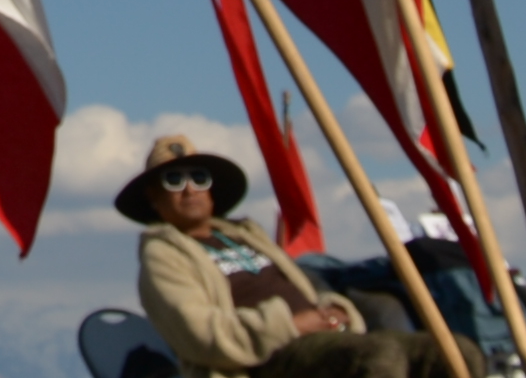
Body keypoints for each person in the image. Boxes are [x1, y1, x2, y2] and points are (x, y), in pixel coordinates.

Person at [125, 135, 419, 378]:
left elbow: (306, 290)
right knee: (377, 357)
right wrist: (290, 325)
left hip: (322, 341)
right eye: (174, 180)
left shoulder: (248, 236)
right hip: (263, 361)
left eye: (198, 177)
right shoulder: (162, 257)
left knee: (443, 352)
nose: (189, 189)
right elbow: (203, 336)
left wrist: (333, 310)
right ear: (154, 197)